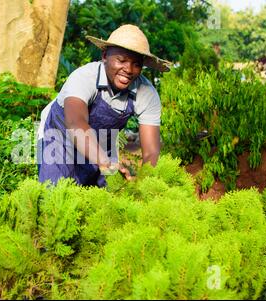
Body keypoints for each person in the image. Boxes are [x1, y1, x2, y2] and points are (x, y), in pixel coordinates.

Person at [37, 24, 172, 187]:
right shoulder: (84, 77)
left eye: (136, 64)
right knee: (57, 194)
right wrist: (104, 162)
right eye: (121, 60)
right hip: (59, 136)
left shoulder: (146, 93)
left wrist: (143, 183)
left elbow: (151, 151)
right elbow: (75, 122)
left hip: (101, 143)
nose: (128, 69)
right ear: (105, 56)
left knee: (102, 196)